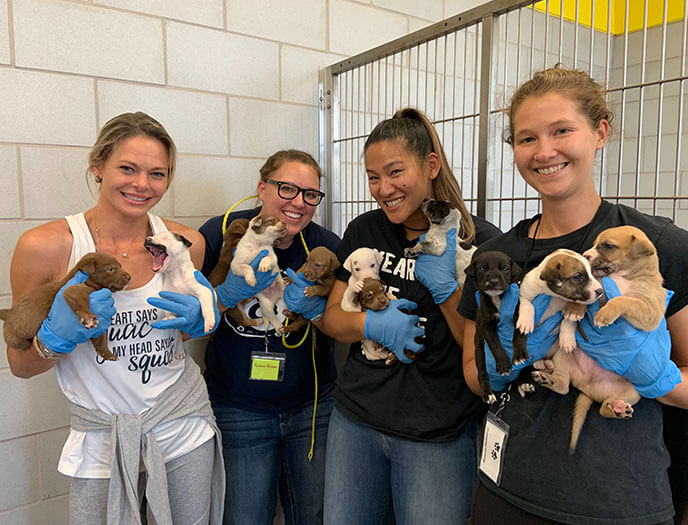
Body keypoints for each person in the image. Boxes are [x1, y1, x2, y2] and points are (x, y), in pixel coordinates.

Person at [458, 66, 688, 524]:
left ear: (600, 132)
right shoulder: (497, 258)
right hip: (507, 488)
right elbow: (473, 373)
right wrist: (503, 362)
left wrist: (655, 377)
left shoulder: (658, 247)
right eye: (526, 138)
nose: (544, 151)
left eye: (562, 130)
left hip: (617, 501)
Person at [6, 112, 225, 524]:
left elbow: (188, 333)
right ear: (97, 166)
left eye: (157, 174)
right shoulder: (47, 247)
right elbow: (19, 365)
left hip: (182, 421)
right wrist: (54, 340)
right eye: (127, 168)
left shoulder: (185, 244)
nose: (142, 184)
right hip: (101, 434)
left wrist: (202, 321)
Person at [321, 107, 502, 524]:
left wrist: (446, 291)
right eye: (372, 176)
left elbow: (481, 350)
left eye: (395, 172)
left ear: (430, 165)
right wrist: (368, 324)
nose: (384, 188)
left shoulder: (479, 242)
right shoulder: (365, 230)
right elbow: (332, 318)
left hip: (436, 435)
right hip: (355, 421)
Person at [199, 149, 341, 524]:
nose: (299, 203)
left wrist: (315, 309)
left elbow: (342, 320)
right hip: (238, 409)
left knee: (313, 515)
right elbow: (185, 317)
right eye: (287, 189)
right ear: (262, 188)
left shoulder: (325, 247)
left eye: (310, 194)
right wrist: (224, 296)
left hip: (312, 410)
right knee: (244, 516)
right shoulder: (222, 231)